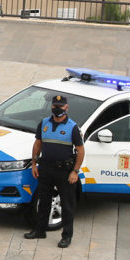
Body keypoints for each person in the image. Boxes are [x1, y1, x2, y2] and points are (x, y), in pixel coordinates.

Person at [25, 94, 85, 248]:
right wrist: (34, 163)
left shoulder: (72, 127)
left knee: (67, 205)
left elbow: (80, 151)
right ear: (51, 106)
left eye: (61, 106)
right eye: (55, 106)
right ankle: (39, 230)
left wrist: (75, 172)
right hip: (45, 168)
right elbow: (37, 144)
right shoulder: (44, 123)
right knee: (44, 201)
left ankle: (66, 236)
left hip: (64, 171)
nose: (57, 108)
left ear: (66, 107)